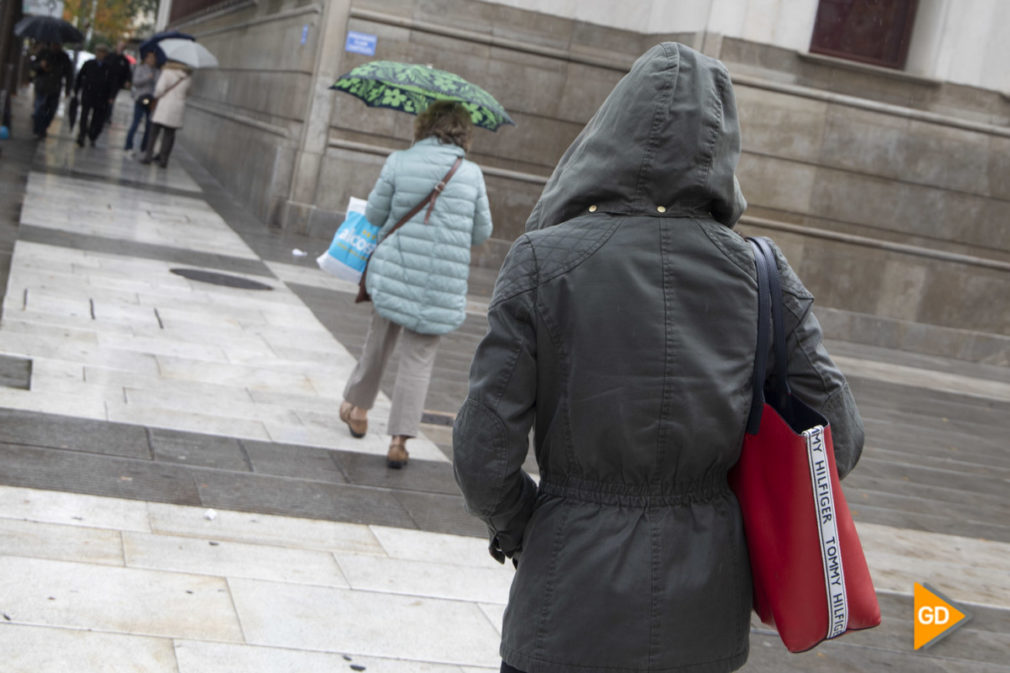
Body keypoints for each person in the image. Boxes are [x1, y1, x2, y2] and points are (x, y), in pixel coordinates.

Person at [452, 42, 865, 673]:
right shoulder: (763, 272)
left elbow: (483, 452)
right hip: (705, 609)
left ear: (609, 131)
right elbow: (840, 439)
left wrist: (528, 527)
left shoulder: (543, 259)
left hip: (567, 600)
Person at [339, 100, 493, 469]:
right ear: (464, 133)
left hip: (395, 268)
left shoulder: (399, 161)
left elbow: (375, 215)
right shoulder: (471, 174)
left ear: (423, 127)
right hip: (440, 280)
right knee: (419, 359)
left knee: (378, 343)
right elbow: (481, 231)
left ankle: (357, 409)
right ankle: (399, 441)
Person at [139, 60, 191, 168]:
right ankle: (163, 160)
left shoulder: (167, 72)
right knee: (169, 135)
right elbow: (189, 92)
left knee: (153, 133)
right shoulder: (187, 77)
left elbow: (159, 89)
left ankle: (148, 156)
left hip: (163, 106)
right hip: (177, 108)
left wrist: (156, 96)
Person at [73, 44, 115, 147]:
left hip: (101, 97)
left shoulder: (108, 67)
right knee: (84, 115)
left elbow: (112, 83)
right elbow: (80, 77)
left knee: (97, 118)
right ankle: (82, 135)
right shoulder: (89, 64)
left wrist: (111, 96)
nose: (100, 54)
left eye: (102, 52)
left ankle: (92, 134)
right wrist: (76, 89)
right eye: (98, 52)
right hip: (88, 93)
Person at [30, 42, 72, 139]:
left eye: (58, 44)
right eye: (54, 44)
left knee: (51, 111)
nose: (55, 46)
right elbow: (33, 66)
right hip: (42, 86)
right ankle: (38, 129)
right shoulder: (44, 53)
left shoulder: (64, 57)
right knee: (38, 110)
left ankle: (43, 128)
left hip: (55, 88)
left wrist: (68, 89)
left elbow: (69, 74)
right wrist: (41, 66)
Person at [125, 50, 158, 155]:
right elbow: (135, 82)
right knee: (135, 122)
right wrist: (147, 78)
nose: (152, 60)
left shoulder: (157, 71)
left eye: (153, 58)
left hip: (151, 100)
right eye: (150, 57)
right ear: (146, 58)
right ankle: (128, 145)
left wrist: (154, 79)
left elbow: (159, 85)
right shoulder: (140, 68)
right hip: (140, 98)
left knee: (149, 126)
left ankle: (144, 148)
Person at [104, 40, 132, 126]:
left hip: (116, 83)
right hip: (106, 81)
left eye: (122, 46)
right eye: (120, 46)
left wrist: (127, 81)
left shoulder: (124, 60)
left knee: (111, 100)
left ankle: (107, 116)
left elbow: (128, 72)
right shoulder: (109, 56)